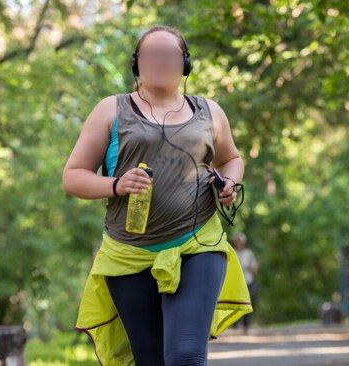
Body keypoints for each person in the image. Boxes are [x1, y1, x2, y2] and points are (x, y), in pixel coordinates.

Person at [63, 25, 253, 366]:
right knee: (150, 359)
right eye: (152, 55)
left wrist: (228, 184)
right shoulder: (111, 110)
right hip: (129, 254)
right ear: (137, 64)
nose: (161, 61)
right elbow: (73, 177)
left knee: (185, 356)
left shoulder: (209, 112)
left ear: (185, 63)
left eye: (170, 55)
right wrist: (116, 184)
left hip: (198, 246)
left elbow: (231, 159)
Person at [233, 233, 259, 334]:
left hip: (247, 281)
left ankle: (246, 325)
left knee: (248, 303)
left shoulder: (248, 254)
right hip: (236, 282)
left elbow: (254, 268)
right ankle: (235, 324)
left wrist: (254, 268)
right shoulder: (233, 252)